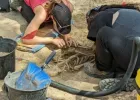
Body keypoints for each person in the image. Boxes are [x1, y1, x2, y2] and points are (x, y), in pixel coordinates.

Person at [84, 4, 140, 91]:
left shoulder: (100, 16)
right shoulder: (133, 13)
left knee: (104, 33)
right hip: (135, 55)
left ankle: (103, 71)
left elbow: (98, 41)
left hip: (136, 59)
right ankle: (131, 78)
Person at [10, 0, 77, 48]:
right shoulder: (42, 14)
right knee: (39, 24)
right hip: (30, 3)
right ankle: (16, 3)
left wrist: (67, 35)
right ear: (52, 17)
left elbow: (64, 19)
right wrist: (51, 40)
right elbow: (26, 39)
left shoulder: (68, 6)